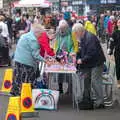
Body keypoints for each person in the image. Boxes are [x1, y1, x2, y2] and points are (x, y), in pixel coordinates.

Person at [72, 23, 106, 109]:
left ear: (79, 31)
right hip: (91, 63)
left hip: (97, 63)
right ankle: (87, 99)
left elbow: (92, 53)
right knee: (87, 79)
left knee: (95, 81)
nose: (75, 35)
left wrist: (81, 60)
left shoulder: (89, 38)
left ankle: (100, 102)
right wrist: (76, 55)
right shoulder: (83, 37)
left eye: (75, 33)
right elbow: (81, 51)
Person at [10, 23, 49, 96]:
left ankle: (17, 93)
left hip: (18, 60)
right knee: (27, 79)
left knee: (18, 77)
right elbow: (36, 55)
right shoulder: (33, 40)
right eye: (40, 34)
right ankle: (27, 95)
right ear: (36, 33)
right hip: (27, 62)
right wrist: (45, 61)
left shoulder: (25, 35)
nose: (41, 36)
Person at [54, 20, 74, 93]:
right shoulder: (58, 33)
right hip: (59, 54)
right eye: (61, 29)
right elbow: (56, 43)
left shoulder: (71, 33)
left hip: (68, 55)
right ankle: (60, 88)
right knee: (59, 72)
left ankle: (69, 89)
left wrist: (71, 52)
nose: (62, 30)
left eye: (63, 29)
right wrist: (55, 51)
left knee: (69, 73)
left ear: (66, 28)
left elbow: (73, 45)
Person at [108, 19, 120, 88]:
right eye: (119, 22)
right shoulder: (115, 32)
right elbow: (111, 43)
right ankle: (118, 82)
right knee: (118, 67)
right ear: (117, 24)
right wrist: (110, 53)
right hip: (118, 52)